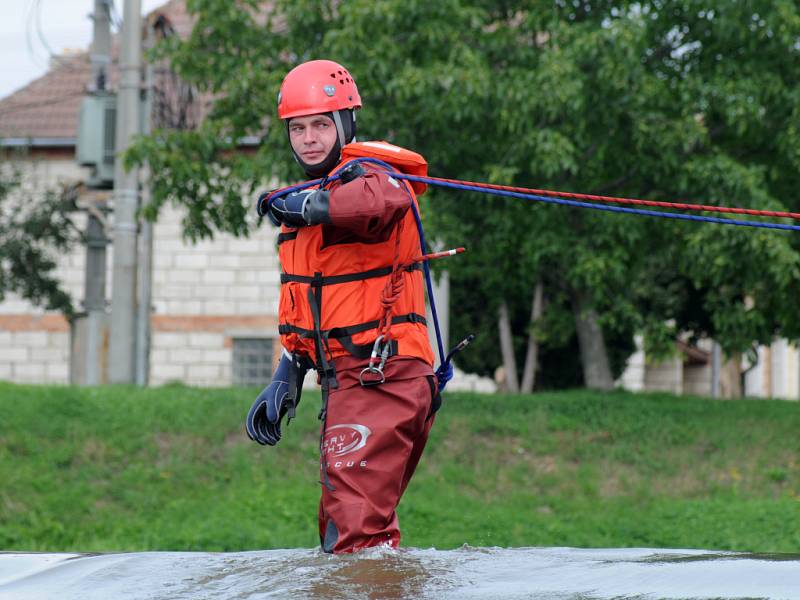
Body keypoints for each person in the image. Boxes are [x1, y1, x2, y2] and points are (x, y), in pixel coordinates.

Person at [245, 59, 440, 554]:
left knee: (355, 535)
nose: (309, 138)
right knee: (343, 530)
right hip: (346, 383)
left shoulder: (375, 174)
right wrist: (286, 374)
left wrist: (308, 205)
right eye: (298, 128)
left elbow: (377, 200)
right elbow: (314, 307)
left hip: (384, 376)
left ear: (346, 125)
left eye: (320, 125)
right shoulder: (309, 204)